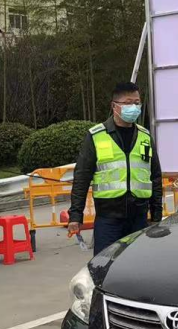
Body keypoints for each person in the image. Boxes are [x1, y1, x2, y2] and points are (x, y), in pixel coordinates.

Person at [68, 81, 163, 255]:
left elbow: (155, 176)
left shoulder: (145, 136)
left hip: (139, 217)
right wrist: (76, 215)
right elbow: (82, 178)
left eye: (136, 103)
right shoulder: (96, 136)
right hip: (108, 218)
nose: (133, 107)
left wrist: (156, 214)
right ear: (114, 106)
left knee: (138, 266)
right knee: (104, 267)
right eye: (128, 103)